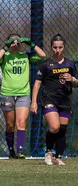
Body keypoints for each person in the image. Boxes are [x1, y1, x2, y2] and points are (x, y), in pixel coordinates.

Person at [0, 33, 46, 159]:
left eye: (18, 41)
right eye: (12, 41)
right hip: (7, 94)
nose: (15, 43)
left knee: (21, 123)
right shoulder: (5, 56)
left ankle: (20, 150)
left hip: (23, 94)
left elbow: (43, 56)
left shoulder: (26, 56)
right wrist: (6, 47)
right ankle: (11, 151)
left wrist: (31, 44)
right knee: (10, 125)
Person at [30, 34, 78, 165]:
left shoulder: (70, 64)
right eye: (55, 47)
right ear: (51, 47)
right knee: (54, 126)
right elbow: (37, 84)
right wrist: (33, 102)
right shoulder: (46, 64)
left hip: (65, 101)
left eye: (60, 47)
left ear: (64, 47)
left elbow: (76, 82)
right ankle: (48, 151)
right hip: (49, 99)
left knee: (62, 129)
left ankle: (59, 157)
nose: (58, 50)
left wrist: (72, 79)